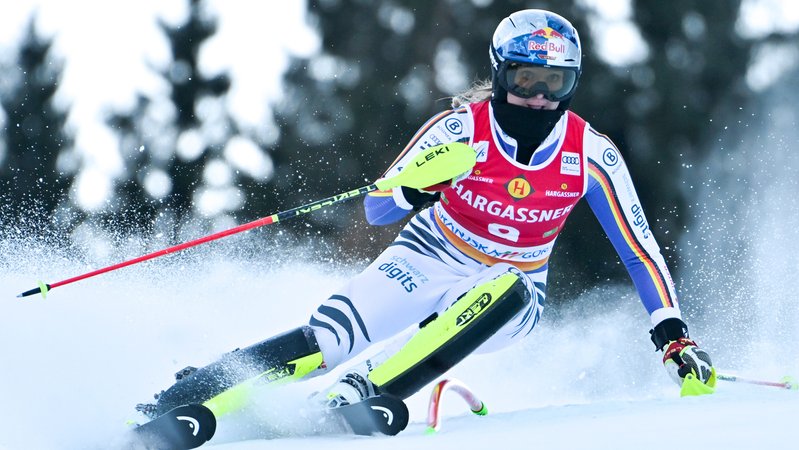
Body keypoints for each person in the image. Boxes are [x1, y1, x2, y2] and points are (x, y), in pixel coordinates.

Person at [143, 9, 715, 424]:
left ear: (572, 84)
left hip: (511, 294)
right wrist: (414, 191)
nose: (539, 97)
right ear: (501, 74)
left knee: (507, 285)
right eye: (525, 81)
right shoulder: (459, 130)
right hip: (426, 256)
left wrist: (672, 335)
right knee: (328, 337)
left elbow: (639, 249)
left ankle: (362, 389)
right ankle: (196, 390)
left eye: (555, 84)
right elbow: (377, 206)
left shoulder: (592, 154)